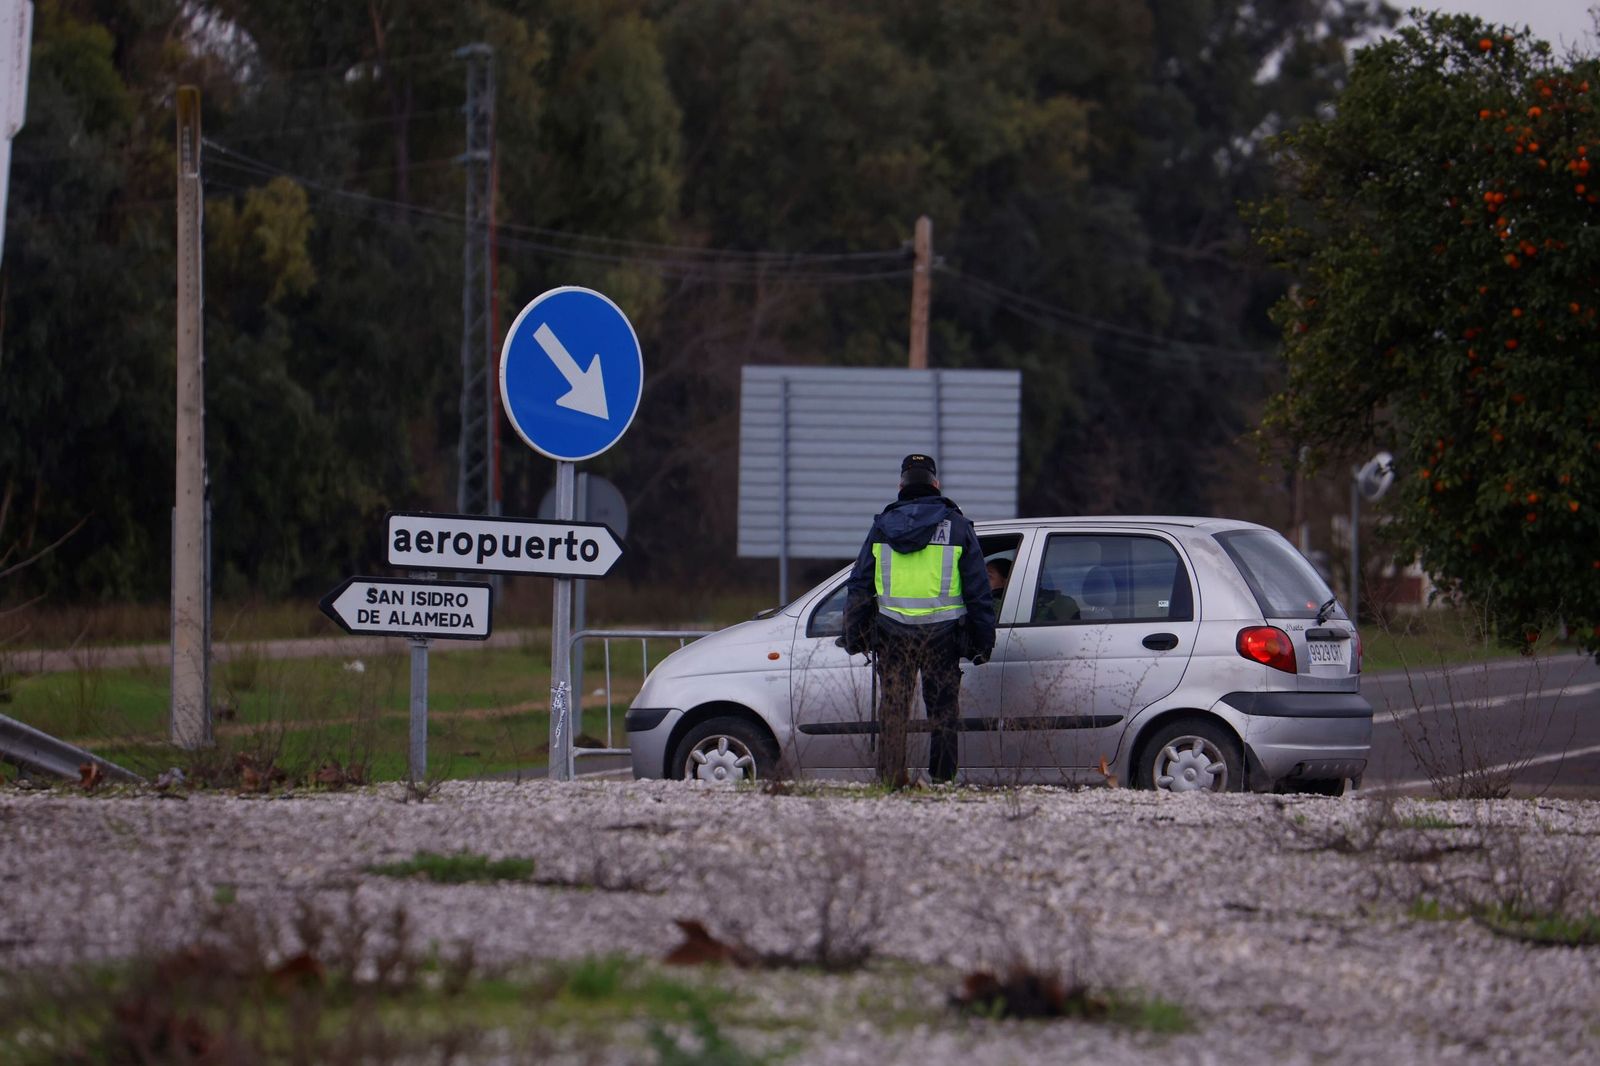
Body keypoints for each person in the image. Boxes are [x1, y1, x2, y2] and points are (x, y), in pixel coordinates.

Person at [842, 454, 994, 787]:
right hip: (942, 637)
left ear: (901, 486)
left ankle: (891, 780)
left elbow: (859, 585)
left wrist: (854, 635)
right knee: (942, 712)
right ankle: (942, 780)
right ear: (935, 484)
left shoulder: (881, 528)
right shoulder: (957, 527)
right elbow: (979, 591)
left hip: (892, 635)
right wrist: (984, 644)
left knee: (894, 710)